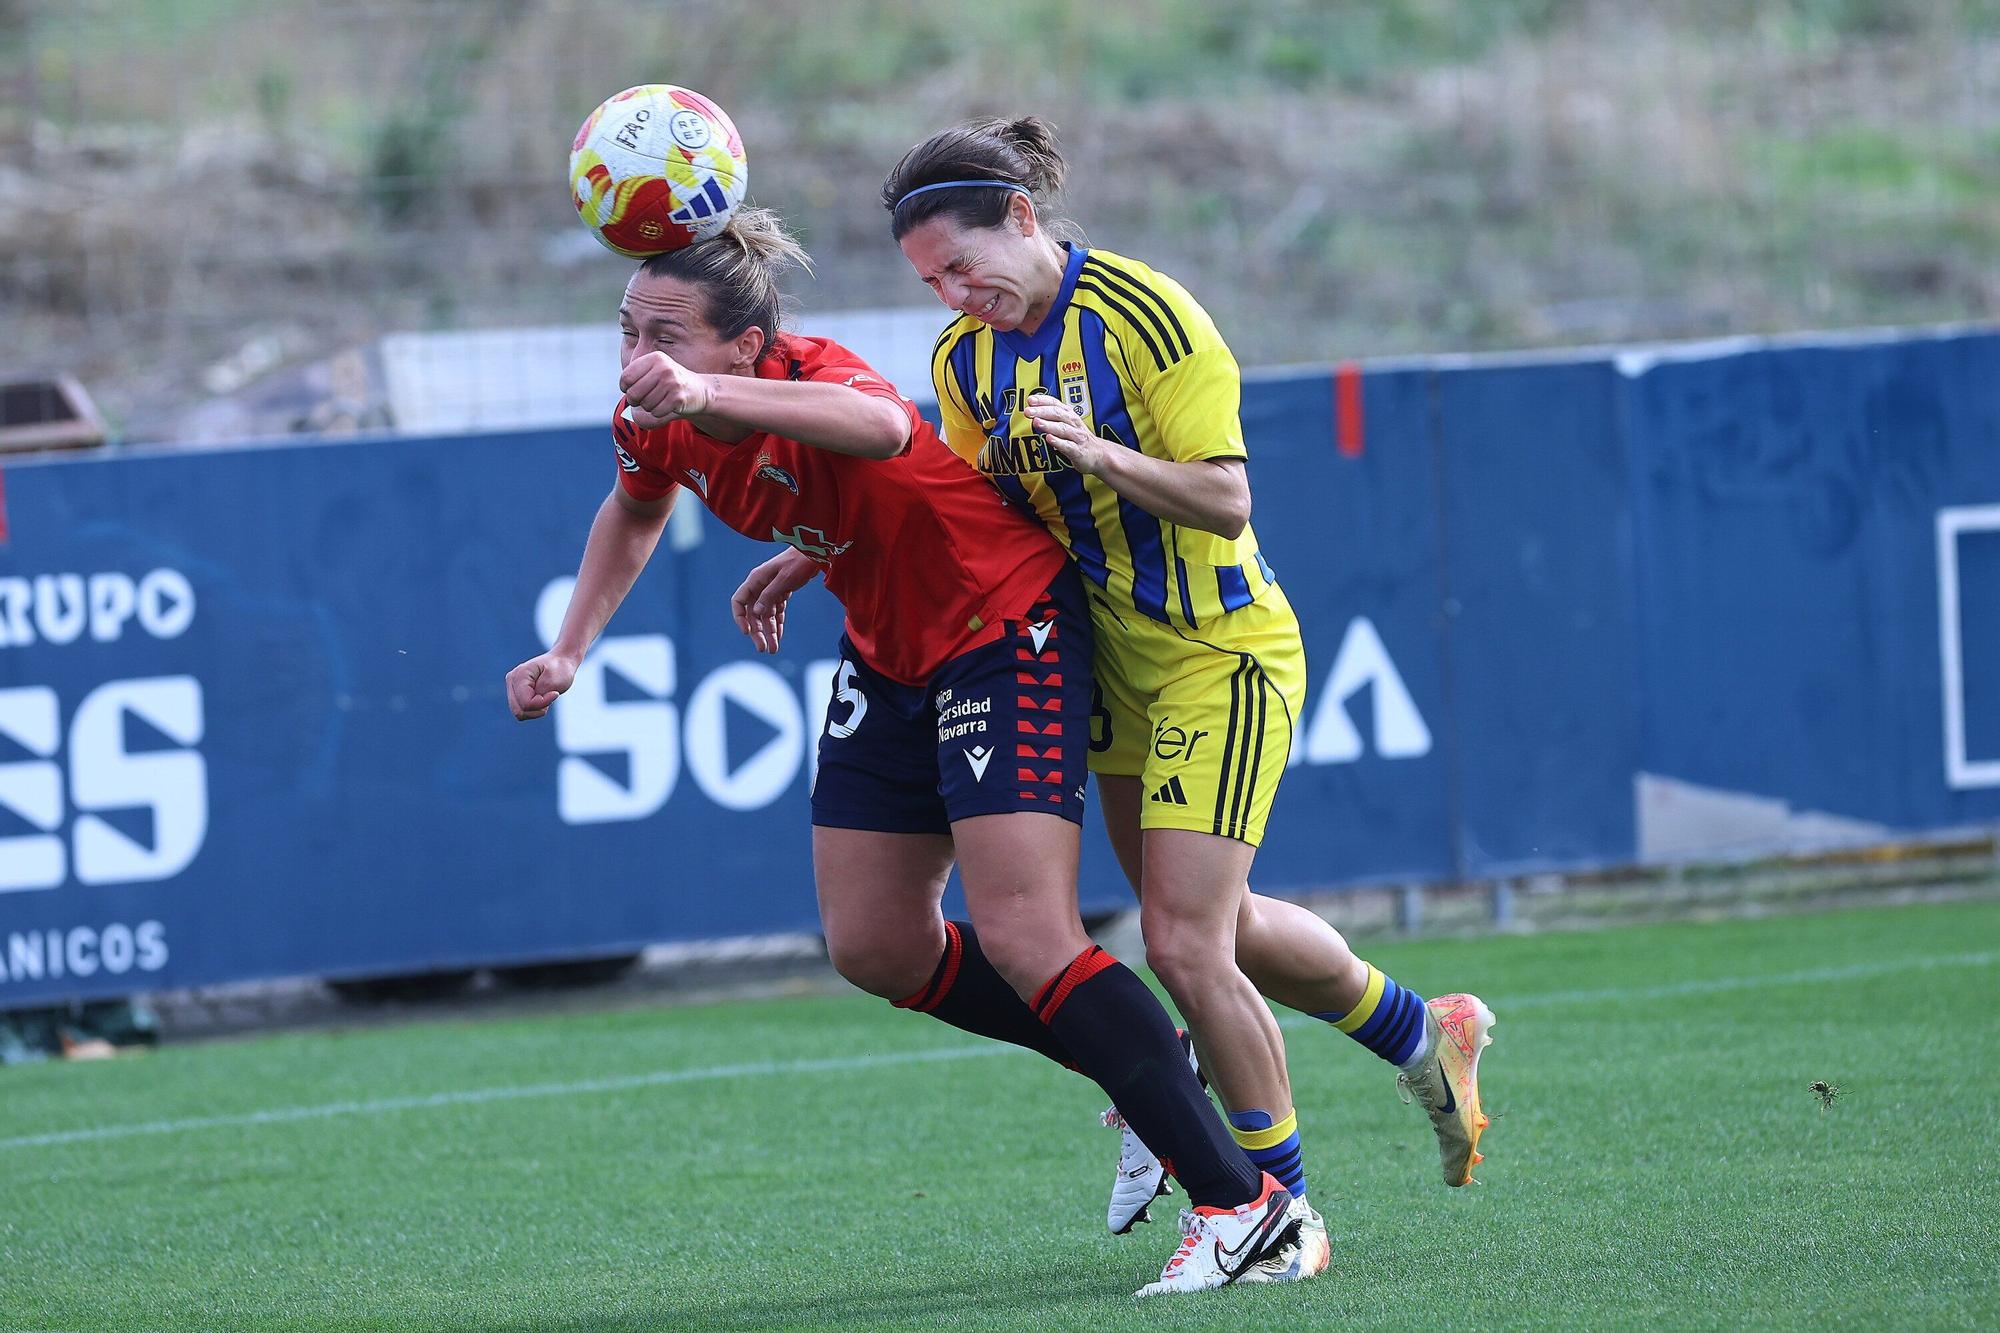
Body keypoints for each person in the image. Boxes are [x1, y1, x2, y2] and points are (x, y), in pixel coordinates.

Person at [504, 207, 1313, 1297]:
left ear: (746, 347)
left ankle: (1242, 1206)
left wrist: (706, 395)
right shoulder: (650, 416)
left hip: (1004, 627)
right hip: (890, 657)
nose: (637, 356)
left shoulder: (809, 371)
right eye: (624, 330)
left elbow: (880, 431)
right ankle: (1145, 1060)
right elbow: (633, 511)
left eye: (664, 335)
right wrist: (568, 649)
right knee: (875, 943)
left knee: (1032, 935)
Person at [733, 118, 1494, 1239]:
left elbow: (1227, 498)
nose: (953, 291)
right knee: (1215, 930)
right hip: (1099, 670)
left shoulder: (1142, 314)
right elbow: (961, 503)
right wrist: (813, 549)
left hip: (1212, 655)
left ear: (1024, 219)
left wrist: (1101, 456)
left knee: (1182, 942)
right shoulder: (963, 361)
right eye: (930, 278)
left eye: (962, 263)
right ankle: (1424, 1034)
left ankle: (1272, 1211)